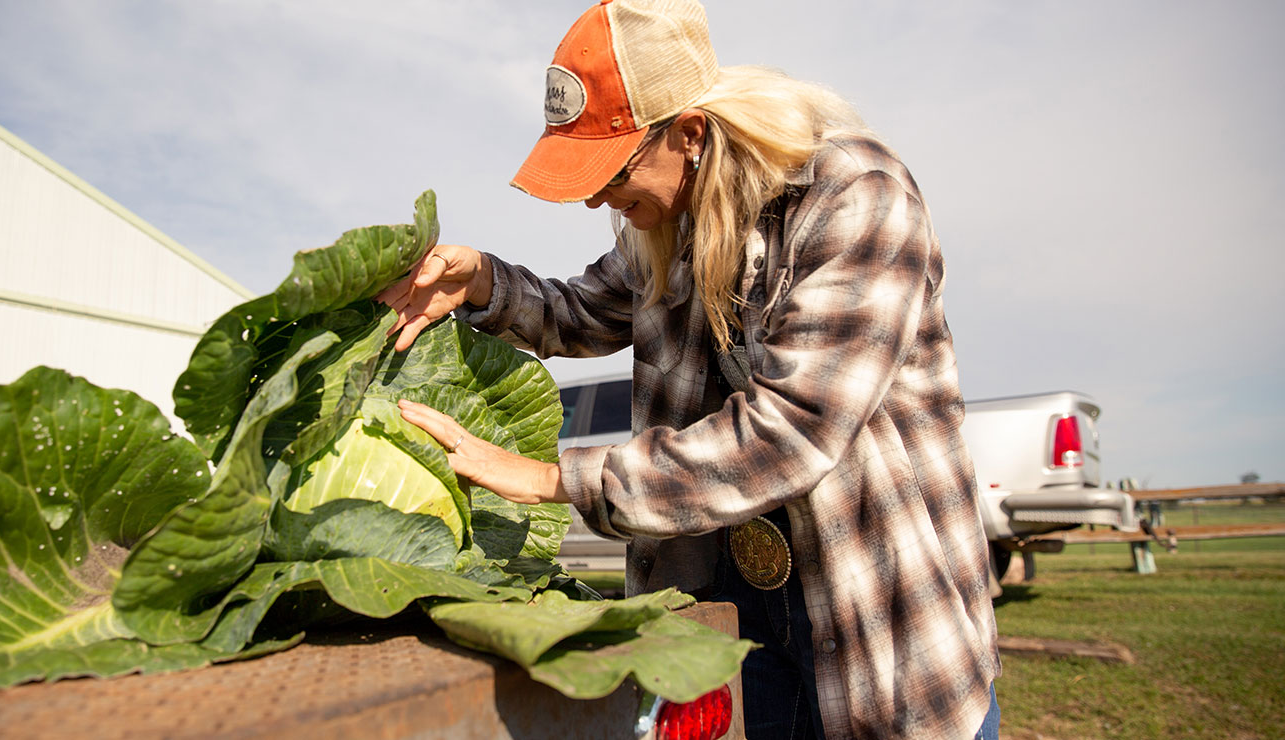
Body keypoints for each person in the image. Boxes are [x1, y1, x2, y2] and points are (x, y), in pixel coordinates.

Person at [381, 1, 1001, 737]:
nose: (593, 198)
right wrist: (482, 280)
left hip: (872, 601)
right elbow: (578, 313)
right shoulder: (669, 229)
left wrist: (555, 478)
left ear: (692, 134)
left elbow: (793, 431)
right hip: (738, 598)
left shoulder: (856, 198)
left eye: (609, 171)